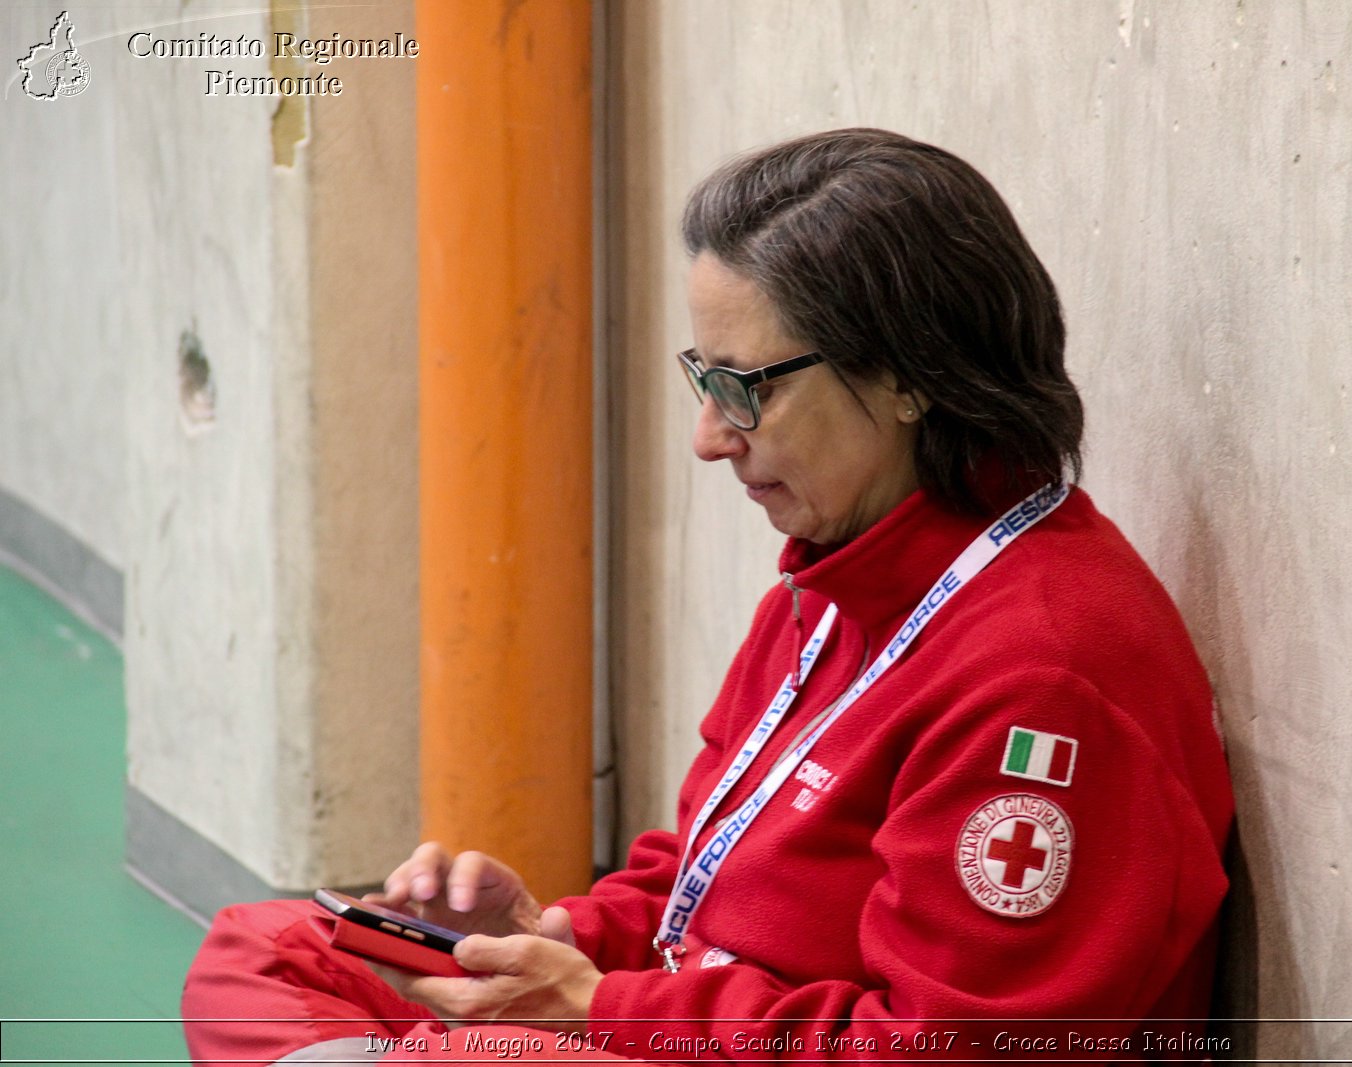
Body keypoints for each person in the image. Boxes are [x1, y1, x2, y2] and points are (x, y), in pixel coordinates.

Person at [183, 128, 1233, 1065]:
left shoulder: (1042, 676)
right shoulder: (835, 571)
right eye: (703, 376)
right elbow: (699, 873)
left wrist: (602, 1008)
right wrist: (557, 937)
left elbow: (943, 1051)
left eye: (748, 387)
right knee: (267, 946)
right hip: (679, 1021)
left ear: (914, 376)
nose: (708, 436)